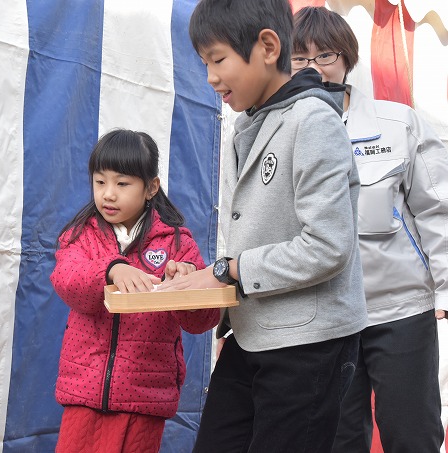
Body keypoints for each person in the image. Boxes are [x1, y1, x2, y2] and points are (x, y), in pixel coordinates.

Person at [158, 0, 369, 451]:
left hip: (308, 341)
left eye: (218, 60)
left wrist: (227, 270)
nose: (211, 77)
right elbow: (257, 233)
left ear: (269, 46)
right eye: (204, 63)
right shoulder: (247, 125)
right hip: (254, 334)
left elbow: (328, 246)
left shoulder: (312, 119)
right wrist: (206, 276)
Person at [291, 7, 448, 452]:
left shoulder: (398, 123)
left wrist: (444, 291)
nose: (313, 69)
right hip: (325, 316)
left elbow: (438, 210)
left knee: (411, 434)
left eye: (324, 56)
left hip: (400, 309)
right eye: (299, 60)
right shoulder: (274, 133)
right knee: (336, 439)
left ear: (347, 59)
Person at [50, 128, 220, 453]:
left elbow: (202, 320)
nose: (108, 194)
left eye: (122, 183)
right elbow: (67, 279)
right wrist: (111, 268)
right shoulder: (80, 235)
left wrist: (186, 281)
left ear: (150, 187)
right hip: (84, 392)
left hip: (144, 395)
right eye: (100, 182)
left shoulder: (177, 241)